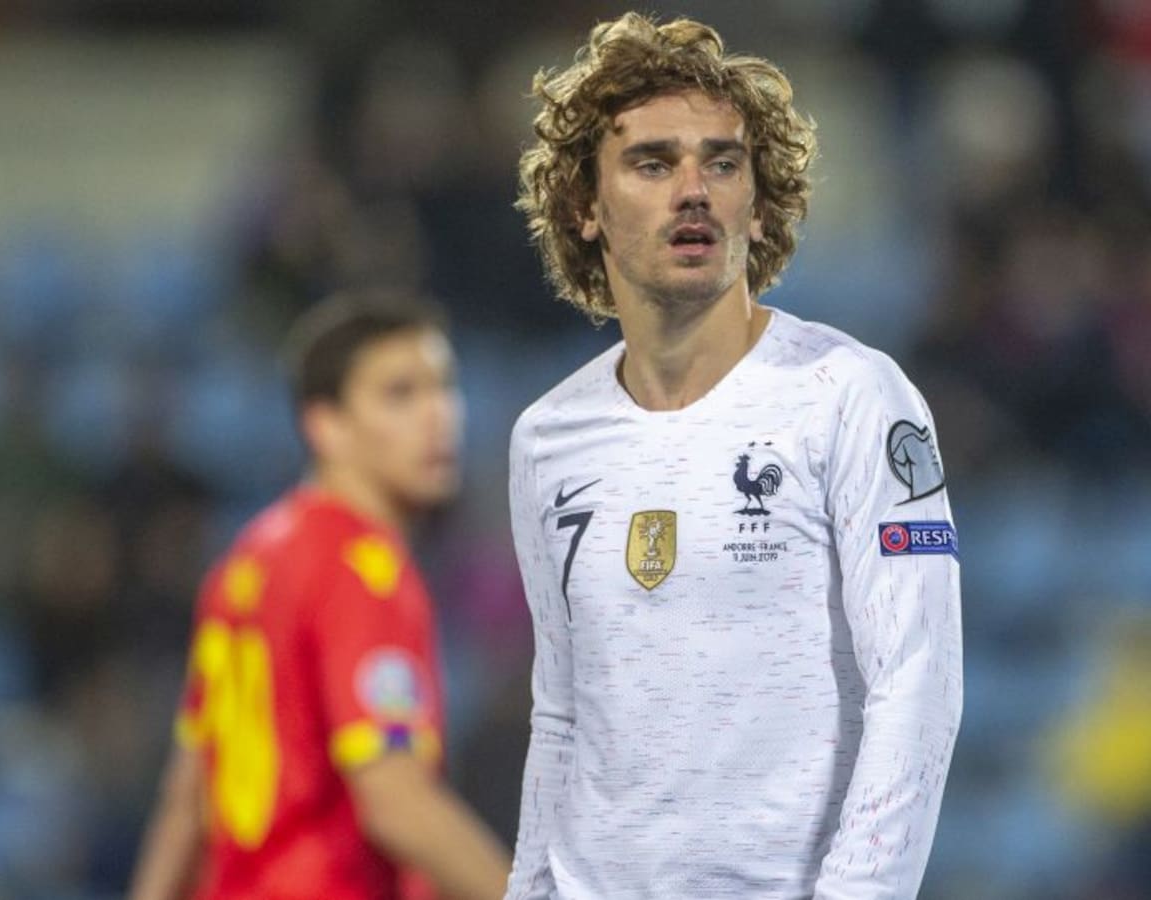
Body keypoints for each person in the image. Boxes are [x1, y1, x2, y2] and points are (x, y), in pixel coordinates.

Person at [506, 12, 963, 900]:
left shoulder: (853, 396)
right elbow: (561, 713)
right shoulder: (548, 437)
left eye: (722, 163)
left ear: (757, 204)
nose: (694, 190)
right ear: (585, 207)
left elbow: (918, 681)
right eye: (652, 163)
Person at [129, 293, 511, 900]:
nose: (438, 415)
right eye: (400, 394)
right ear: (325, 424)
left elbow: (187, 797)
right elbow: (396, 801)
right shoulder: (359, 571)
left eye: (444, 387)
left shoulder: (247, 558)